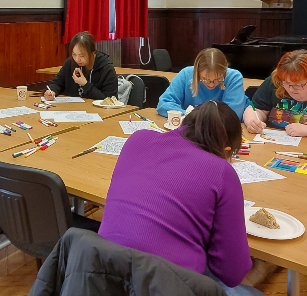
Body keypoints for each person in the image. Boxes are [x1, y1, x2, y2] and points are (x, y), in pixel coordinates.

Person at [99, 101, 263, 296]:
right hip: (164, 286)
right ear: (227, 150)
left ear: (183, 123)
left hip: (101, 275)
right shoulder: (222, 171)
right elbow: (232, 273)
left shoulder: (137, 138)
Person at [157, 48, 245, 118]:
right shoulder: (186, 74)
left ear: (225, 72)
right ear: (197, 72)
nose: (211, 84)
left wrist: (195, 117)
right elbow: (164, 104)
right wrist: (189, 116)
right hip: (190, 129)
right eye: (205, 79)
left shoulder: (234, 77)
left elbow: (233, 115)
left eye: (217, 79)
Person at [43, 31, 117, 101]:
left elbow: (109, 100)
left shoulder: (106, 68)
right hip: (73, 110)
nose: (77, 59)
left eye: (82, 55)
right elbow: (58, 82)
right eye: (74, 54)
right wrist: (51, 91)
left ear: (92, 52)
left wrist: (85, 84)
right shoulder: (70, 62)